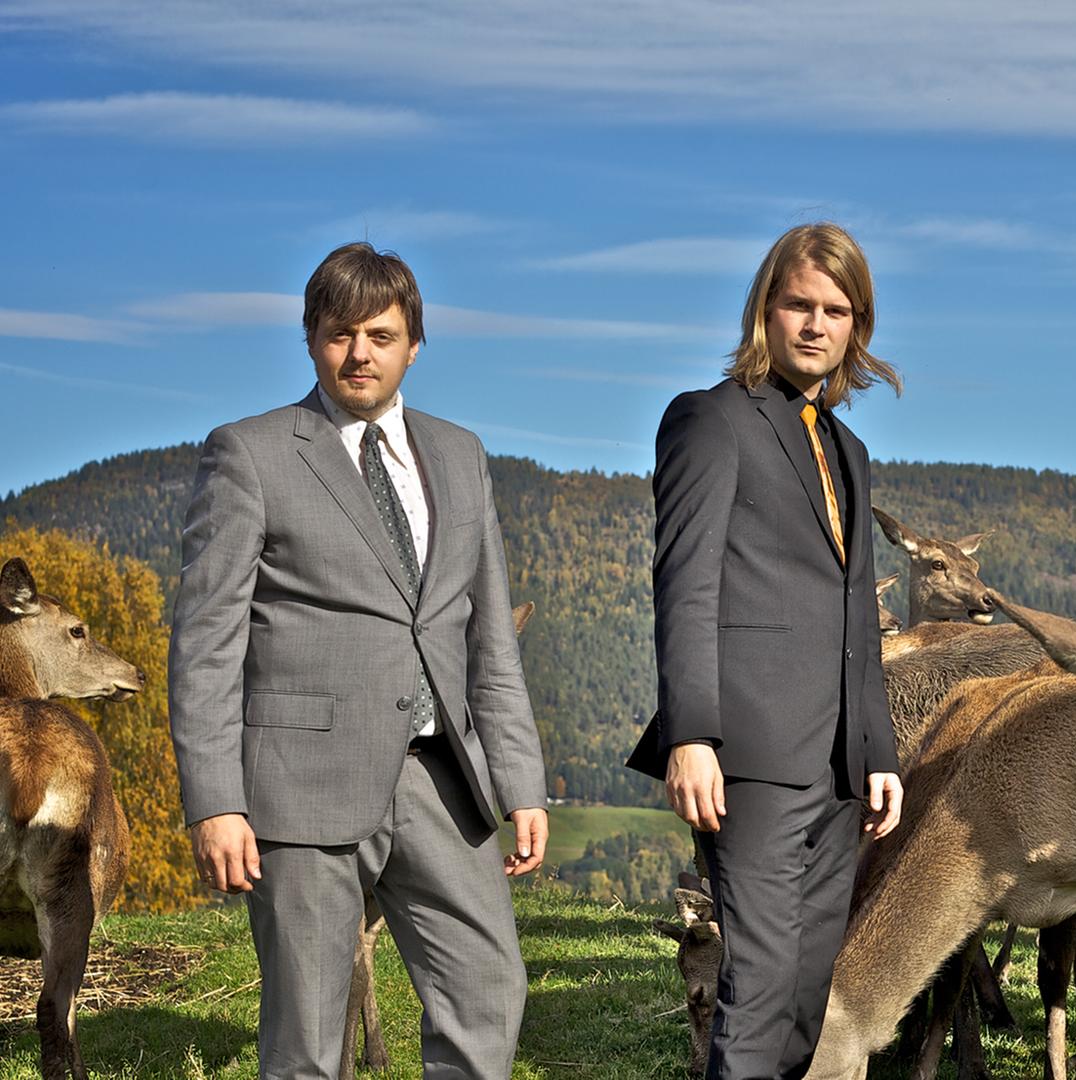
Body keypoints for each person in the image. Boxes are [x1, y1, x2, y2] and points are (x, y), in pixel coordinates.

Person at [170, 242, 549, 1079]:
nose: (360, 354)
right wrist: (215, 801)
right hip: (299, 783)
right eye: (341, 334)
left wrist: (520, 781)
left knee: (491, 992)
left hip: (444, 779)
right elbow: (205, 643)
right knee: (308, 1042)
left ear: (414, 343)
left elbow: (488, 641)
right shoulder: (251, 453)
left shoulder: (460, 454)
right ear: (311, 340)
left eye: (381, 334)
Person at [629, 222, 905, 1079]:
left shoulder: (848, 450)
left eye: (837, 309)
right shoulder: (710, 421)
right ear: (765, 309)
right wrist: (692, 734)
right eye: (799, 305)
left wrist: (878, 751)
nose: (816, 325)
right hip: (746, 758)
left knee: (801, 999)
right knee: (755, 989)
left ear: (857, 325)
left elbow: (855, 613)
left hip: (837, 774)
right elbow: (686, 586)